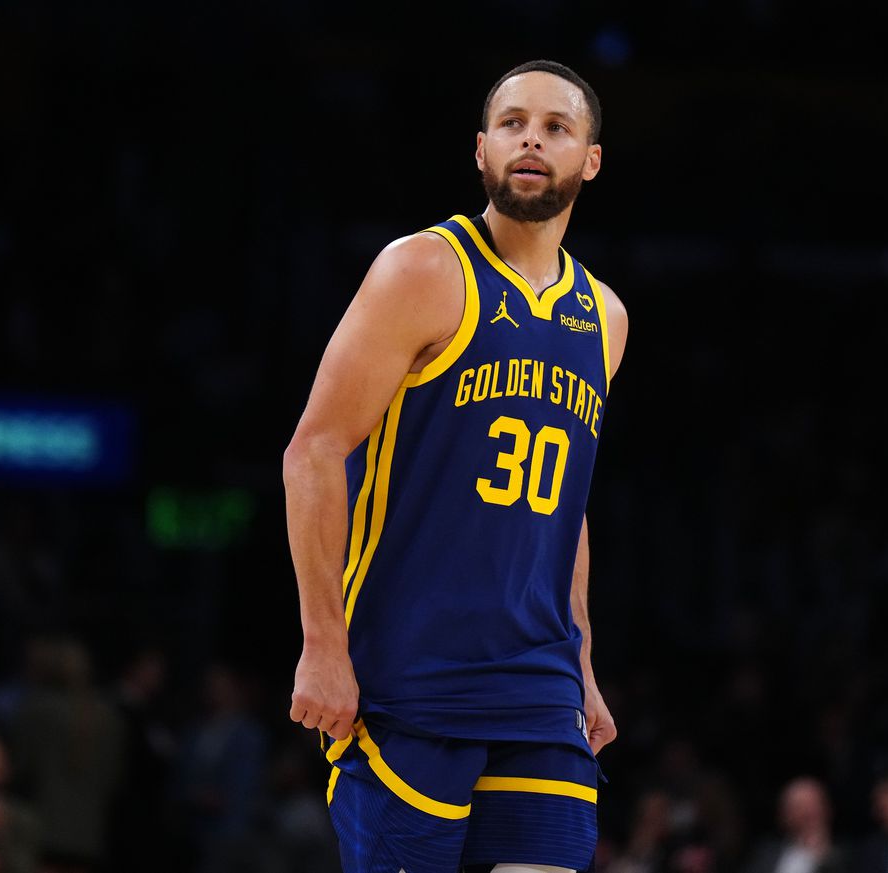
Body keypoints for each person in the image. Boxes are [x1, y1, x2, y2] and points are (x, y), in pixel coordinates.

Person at [282, 57, 628, 873]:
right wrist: (322, 642)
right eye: (513, 125)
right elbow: (314, 450)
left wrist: (581, 663)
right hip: (411, 673)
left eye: (556, 127)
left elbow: (565, 508)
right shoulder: (423, 269)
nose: (532, 141)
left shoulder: (604, 318)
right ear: (481, 150)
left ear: (591, 159)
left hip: (539, 682)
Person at [740, 776, 847, 873]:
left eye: (812, 805)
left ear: (828, 809)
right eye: (797, 807)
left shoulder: (845, 855)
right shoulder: (766, 853)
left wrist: (824, 854)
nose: (806, 813)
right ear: (783, 816)